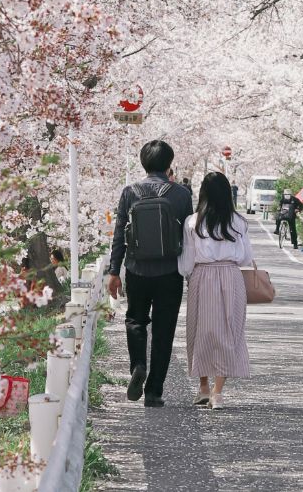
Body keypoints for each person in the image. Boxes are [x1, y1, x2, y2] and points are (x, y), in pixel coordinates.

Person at [108, 140, 193, 407]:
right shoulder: (180, 194)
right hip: (170, 272)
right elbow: (188, 238)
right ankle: (154, 391)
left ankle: (138, 366)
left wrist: (114, 271)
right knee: (164, 330)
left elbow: (119, 233)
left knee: (135, 320)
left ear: (143, 163)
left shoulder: (130, 192)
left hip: (137, 270)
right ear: (169, 164)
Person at [178, 172, 253, 410]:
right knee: (230, 333)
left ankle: (202, 387)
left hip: (202, 276)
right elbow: (246, 258)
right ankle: (217, 393)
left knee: (200, 331)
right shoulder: (238, 222)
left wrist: (189, 275)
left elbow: (187, 260)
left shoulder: (193, 221)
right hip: (231, 276)